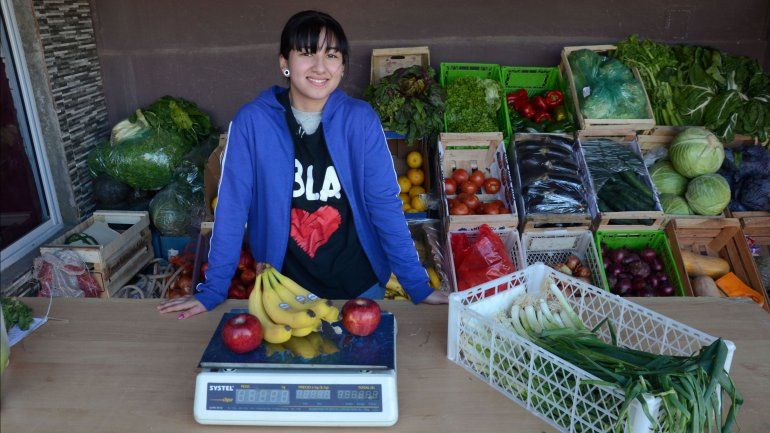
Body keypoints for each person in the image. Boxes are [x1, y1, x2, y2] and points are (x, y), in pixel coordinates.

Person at [158, 10, 448, 320]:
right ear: (284, 61)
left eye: (332, 55)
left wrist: (418, 286)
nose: (320, 67)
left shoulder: (360, 120)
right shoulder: (253, 122)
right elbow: (232, 209)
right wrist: (212, 290)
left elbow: (384, 206)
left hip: (360, 287)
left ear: (343, 65)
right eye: (307, 53)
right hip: (283, 292)